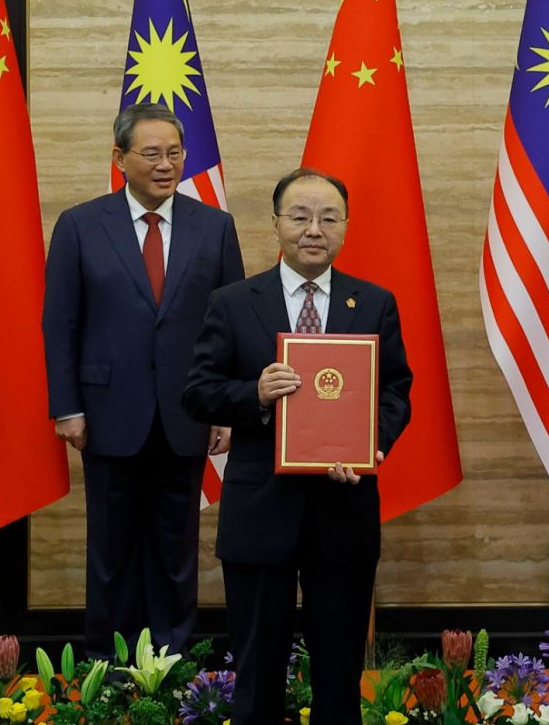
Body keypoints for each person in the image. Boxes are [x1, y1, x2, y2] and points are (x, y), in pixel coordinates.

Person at [183, 168, 412, 725]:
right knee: (257, 674)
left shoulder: (373, 302)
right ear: (276, 224)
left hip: (344, 510)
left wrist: (371, 445)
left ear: (345, 227)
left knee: (339, 673)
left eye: (329, 218)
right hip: (260, 512)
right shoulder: (234, 302)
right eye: (301, 216)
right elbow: (198, 391)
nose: (315, 229)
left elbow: (395, 390)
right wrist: (254, 394)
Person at [41, 102, 245, 658]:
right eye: (151, 153)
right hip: (107, 414)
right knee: (112, 550)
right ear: (119, 158)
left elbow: (231, 327)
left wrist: (225, 406)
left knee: (176, 550)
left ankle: (170, 665)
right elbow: (60, 323)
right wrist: (67, 406)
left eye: (174, 153)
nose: (165, 164)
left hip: (187, 413)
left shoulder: (215, 226)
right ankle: (107, 667)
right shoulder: (80, 225)